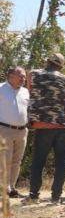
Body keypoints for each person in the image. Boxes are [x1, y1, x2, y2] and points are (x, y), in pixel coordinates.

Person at [26, 53, 65, 204]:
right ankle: (56, 198)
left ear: (47, 61)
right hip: (64, 127)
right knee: (61, 163)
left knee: (38, 161)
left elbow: (28, 92)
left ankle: (33, 196)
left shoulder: (33, 75)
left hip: (42, 126)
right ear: (61, 66)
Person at [0, 67, 29, 197]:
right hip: (4, 129)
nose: (23, 78)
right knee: (5, 160)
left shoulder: (26, 92)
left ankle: (11, 187)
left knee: (17, 160)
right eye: (21, 76)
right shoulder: (1, 88)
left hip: (22, 131)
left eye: (24, 76)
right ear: (10, 76)